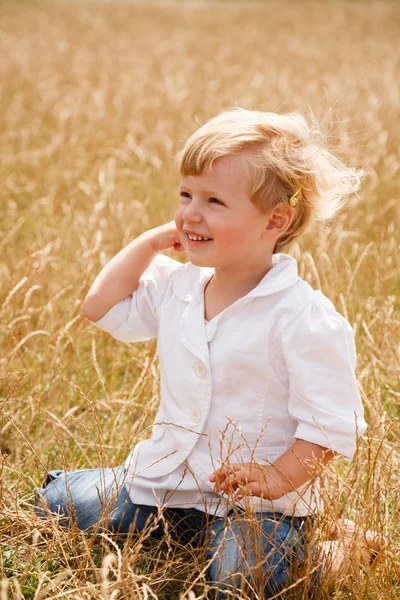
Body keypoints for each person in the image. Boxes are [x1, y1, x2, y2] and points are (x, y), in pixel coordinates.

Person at [34, 108, 384, 598]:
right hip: (167, 482)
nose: (190, 214)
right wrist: (152, 242)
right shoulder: (180, 285)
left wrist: (276, 477)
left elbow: (331, 426)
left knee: (242, 580)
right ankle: (183, 529)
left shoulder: (303, 318)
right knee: (56, 505)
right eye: (185, 195)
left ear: (275, 220)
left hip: (258, 503)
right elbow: (100, 306)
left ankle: (334, 548)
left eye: (214, 200)